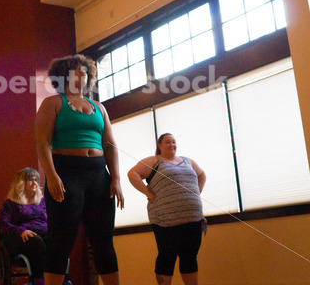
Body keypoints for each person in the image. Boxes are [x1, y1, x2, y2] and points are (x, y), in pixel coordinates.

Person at [35, 54, 124, 285]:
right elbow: (42, 142)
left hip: (98, 176)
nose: (82, 72)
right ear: (64, 76)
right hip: (66, 174)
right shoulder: (53, 103)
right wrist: (52, 175)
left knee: (103, 241)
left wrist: (116, 178)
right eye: (77, 69)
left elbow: (110, 145)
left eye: (85, 70)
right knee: (61, 241)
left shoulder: (99, 108)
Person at [128, 133, 206, 285]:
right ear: (159, 145)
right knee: (167, 257)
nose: (172, 145)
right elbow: (132, 173)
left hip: (193, 219)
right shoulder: (154, 161)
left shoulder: (188, 161)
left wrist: (196, 193)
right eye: (168, 142)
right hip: (165, 221)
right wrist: (148, 194)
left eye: (174, 142)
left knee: (190, 257)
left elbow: (202, 175)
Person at [0, 168, 47, 285]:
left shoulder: (42, 201)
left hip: (42, 234)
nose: (35, 183)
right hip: (18, 238)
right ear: (21, 183)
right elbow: (3, 225)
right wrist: (21, 231)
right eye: (30, 180)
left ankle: (62, 279)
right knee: (35, 240)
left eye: (36, 180)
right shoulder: (10, 204)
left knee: (56, 241)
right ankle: (38, 280)